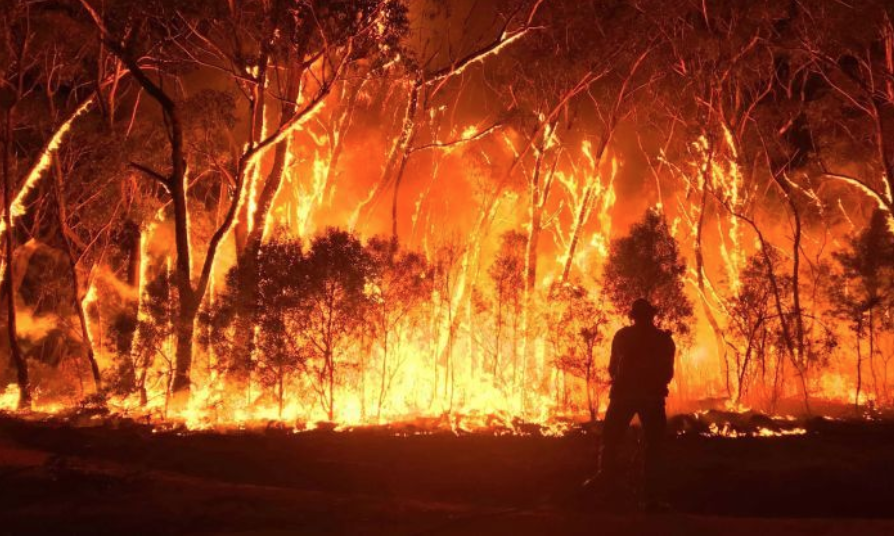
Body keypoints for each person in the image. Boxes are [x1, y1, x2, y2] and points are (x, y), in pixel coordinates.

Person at [597, 298, 675, 509]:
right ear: (652, 316)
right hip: (651, 398)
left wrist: (625, 381)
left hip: (623, 395)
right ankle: (651, 498)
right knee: (654, 447)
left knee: (611, 442)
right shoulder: (663, 340)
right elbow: (668, 372)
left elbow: (613, 368)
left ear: (633, 316)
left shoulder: (623, 336)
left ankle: (606, 491)